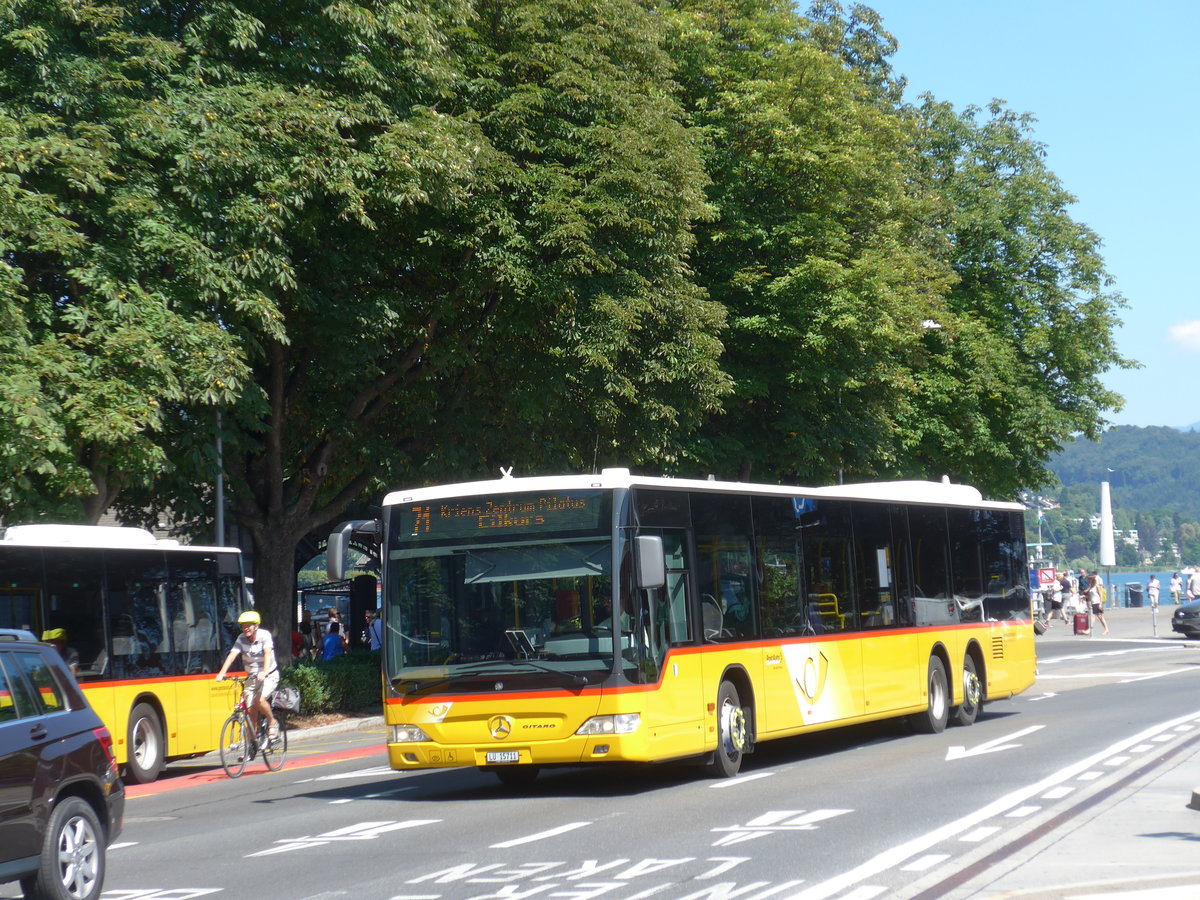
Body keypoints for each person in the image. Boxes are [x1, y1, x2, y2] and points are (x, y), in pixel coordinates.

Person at [215, 610, 279, 746]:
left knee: (259, 700)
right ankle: (251, 746)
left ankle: (272, 722)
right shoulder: (241, 638)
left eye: (248, 625)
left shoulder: (264, 635)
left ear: (256, 626)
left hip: (269, 675)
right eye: (243, 626)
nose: (245, 629)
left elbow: (267, 653)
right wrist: (222, 672)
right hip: (252, 677)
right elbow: (232, 655)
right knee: (250, 711)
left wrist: (264, 671)